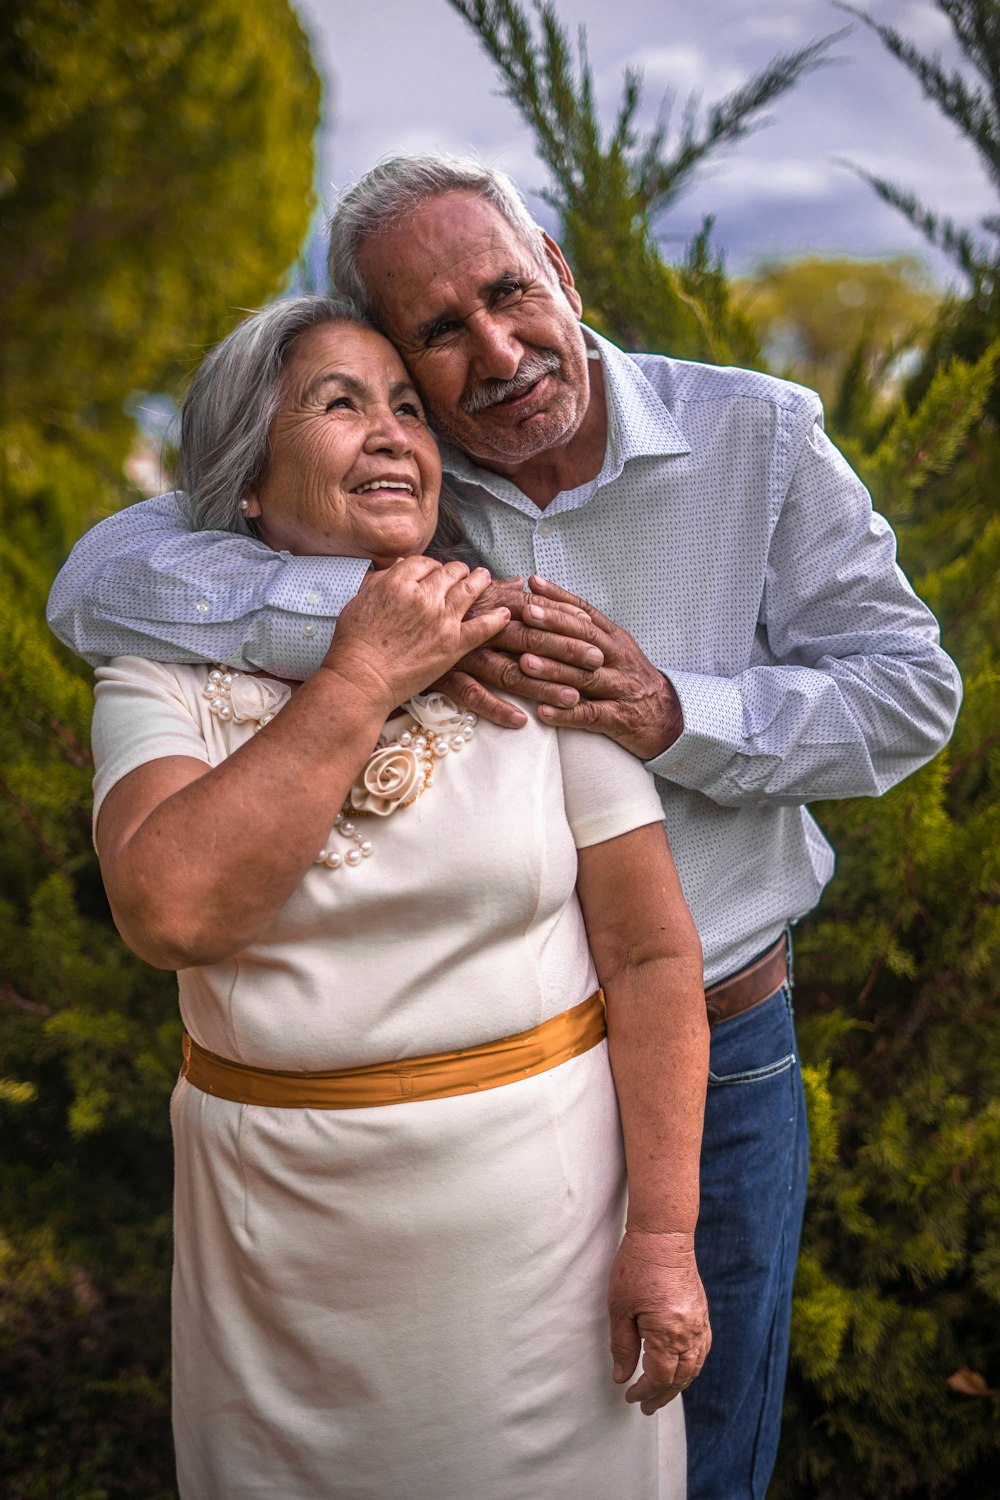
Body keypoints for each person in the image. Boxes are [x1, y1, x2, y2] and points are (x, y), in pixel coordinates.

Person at [48, 156, 963, 1499]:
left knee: (685, 1436)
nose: (494, 354)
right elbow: (106, 581)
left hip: (706, 1017)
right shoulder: (430, 473)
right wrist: (393, 631)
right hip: (457, 1105)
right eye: (434, 339)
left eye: (507, 293)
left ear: (559, 269)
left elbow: (909, 690)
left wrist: (666, 707)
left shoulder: (759, 438)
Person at [87, 293, 710, 1499]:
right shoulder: (154, 675)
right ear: (247, 483)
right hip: (277, 1265)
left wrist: (665, 1242)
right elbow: (170, 913)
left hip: (547, 1254)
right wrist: (361, 672)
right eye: (338, 404)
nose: (393, 434)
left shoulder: (522, 645)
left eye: (409, 409)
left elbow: (647, 959)